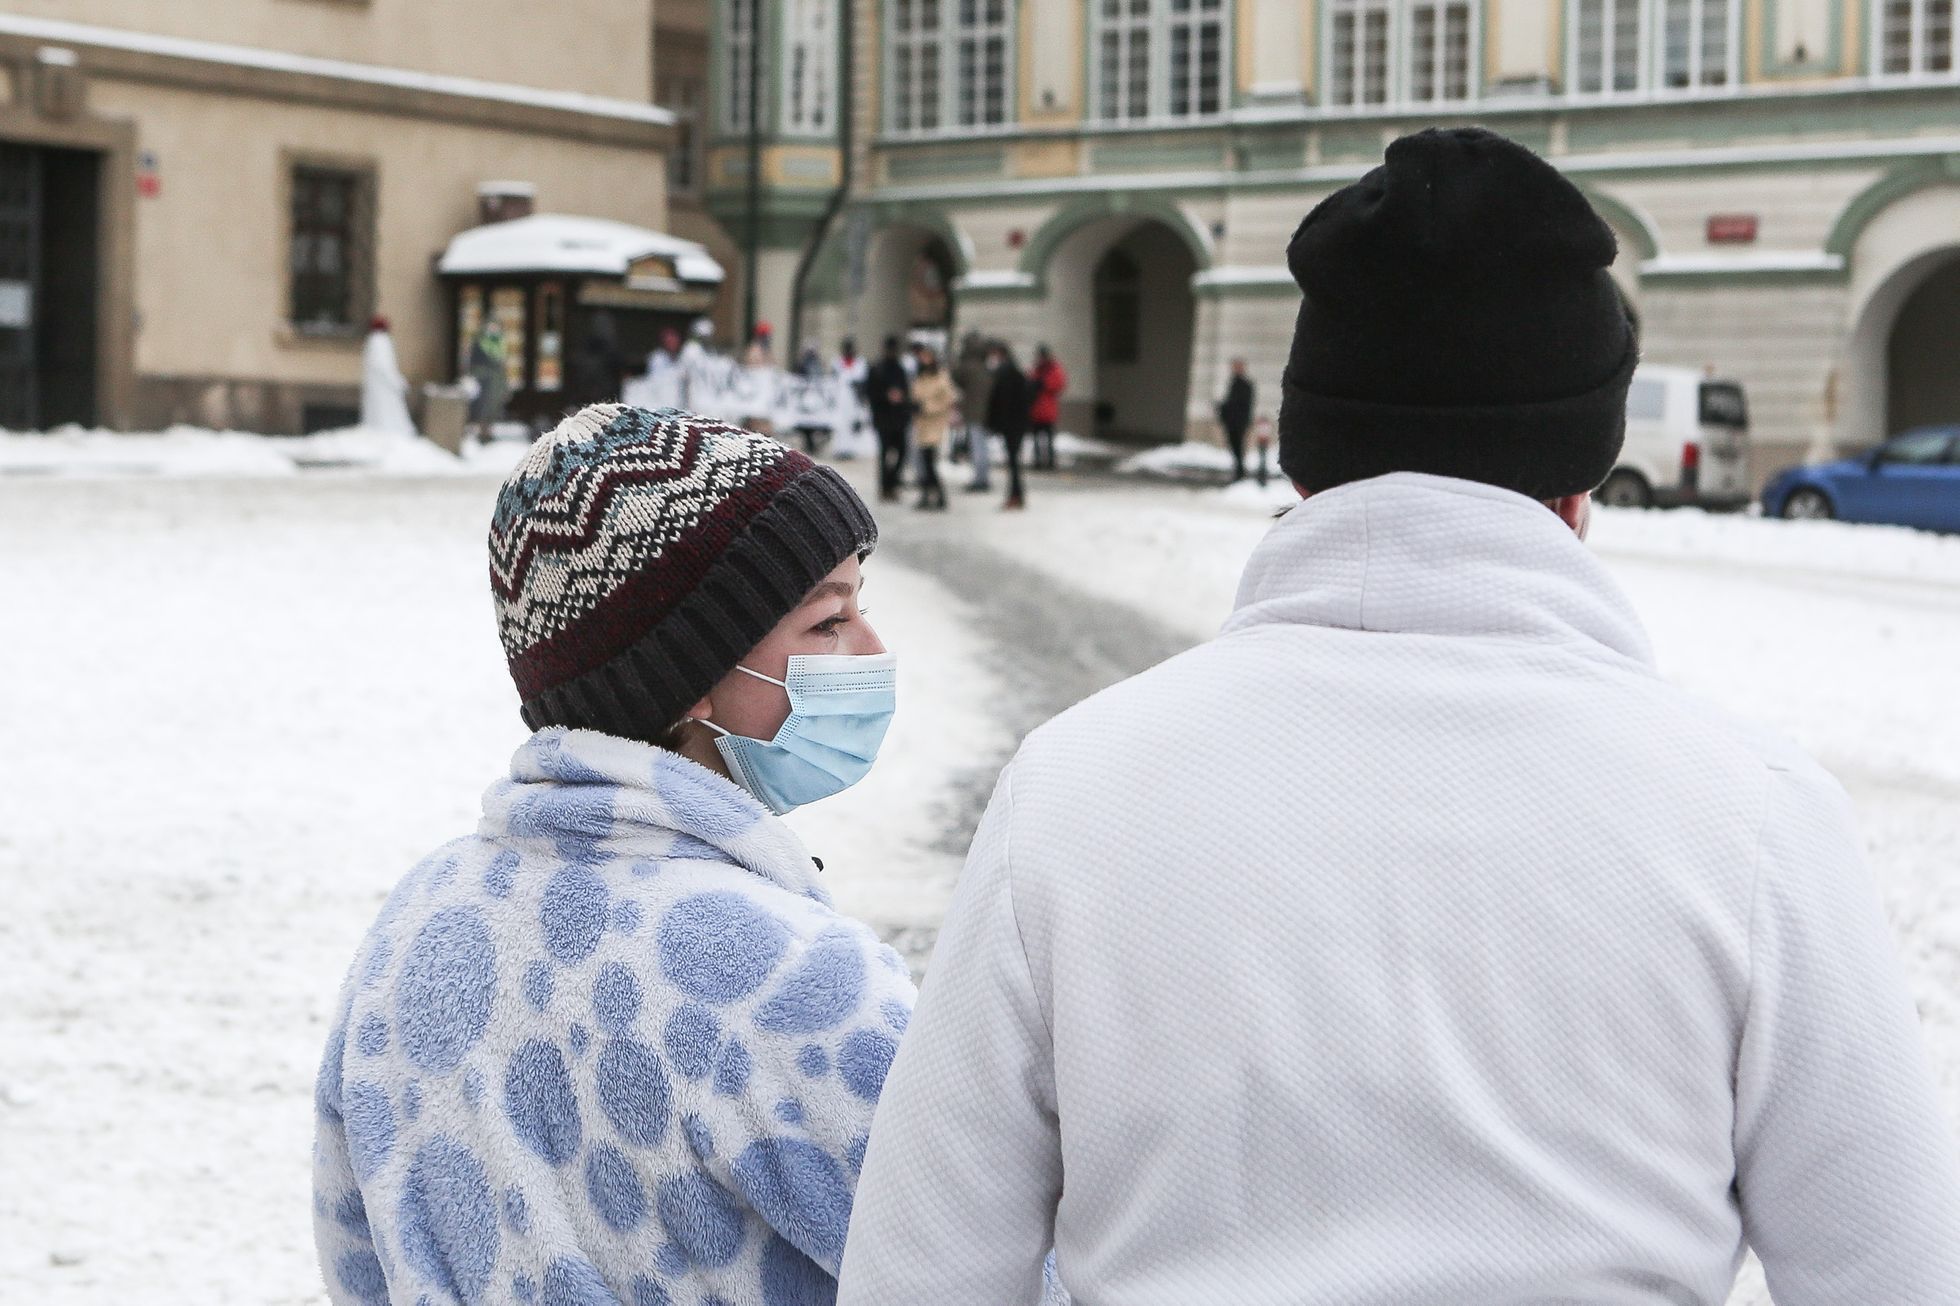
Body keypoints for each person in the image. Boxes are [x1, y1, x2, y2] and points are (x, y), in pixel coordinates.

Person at [837, 128, 1960, 1305]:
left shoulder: (1069, 791)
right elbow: (1895, 1272)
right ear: (1577, 488)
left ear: (1305, 467)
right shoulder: (1755, 819)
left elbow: (919, 1270)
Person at [314, 405, 917, 1306]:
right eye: (826, 623)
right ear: (691, 678)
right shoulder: (789, 980)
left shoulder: (418, 926)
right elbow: (988, 1266)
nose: (872, 648)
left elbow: (357, 1253)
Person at [909, 346, 957, 511]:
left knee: (929, 462)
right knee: (923, 462)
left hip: (934, 425)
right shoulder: (920, 377)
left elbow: (947, 399)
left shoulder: (940, 377)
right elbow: (915, 395)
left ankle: (937, 495)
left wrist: (927, 407)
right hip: (922, 425)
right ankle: (927, 494)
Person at [866, 336, 912, 504]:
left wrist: (901, 398)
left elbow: (906, 391)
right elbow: (870, 392)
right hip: (883, 419)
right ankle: (885, 487)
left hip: (898, 419)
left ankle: (892, 483)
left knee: (902, 452)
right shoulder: (877, 369)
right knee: (885, 454)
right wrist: (886, 397)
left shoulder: (899, 369)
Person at [984, 342, 1030, 511]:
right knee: (1013, 462)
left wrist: (996, 423)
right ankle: (1016, 495)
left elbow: (1002, 402)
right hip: (1015, 424)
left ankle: (1015, 495)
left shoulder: (1006, 375)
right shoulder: (1013, 373)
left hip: (1011, 424)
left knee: (1013, 462)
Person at [952, 331, 995, 493]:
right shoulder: (985, 366)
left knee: (978, 446)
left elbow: (956, 376)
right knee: (982, 446)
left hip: (973, 411)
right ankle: (982, 477)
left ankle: (980, 479)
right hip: (985, 412)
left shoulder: (968, 365)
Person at [360, 315, 417, 438]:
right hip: (383, 388)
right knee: (387, 414)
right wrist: (397, 382)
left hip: (379, 387)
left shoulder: (373, 341)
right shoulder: (380, 342)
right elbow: (383, 367)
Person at [466, 318, 510, 435]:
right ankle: (482, 428)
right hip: (484, 378)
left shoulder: (499, 341)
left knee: (493, 403)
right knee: (483, 403)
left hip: (496, 379)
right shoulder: (480, 341)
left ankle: (488, 427)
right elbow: (474, 360)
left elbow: (501, 361)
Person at [1026, 344, 1066, 471]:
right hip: (1036, 410)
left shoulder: (1053, 368)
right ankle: (1038, 461)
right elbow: (1029, 382)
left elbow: (1059, 384)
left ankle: (1050, 461)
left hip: (1048, 410)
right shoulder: (1036, 369)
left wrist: (1043, 384)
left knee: (1048, 439)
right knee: (1036, 438)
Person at [1216, 357, 1255, 482]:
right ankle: (1239, 470)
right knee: (1234, 446)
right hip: (1233, 421)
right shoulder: (1234, 383)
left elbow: (1242, 405)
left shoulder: (1245, 385)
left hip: (1238, 422)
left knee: (1237, 446)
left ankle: (1240, 472)